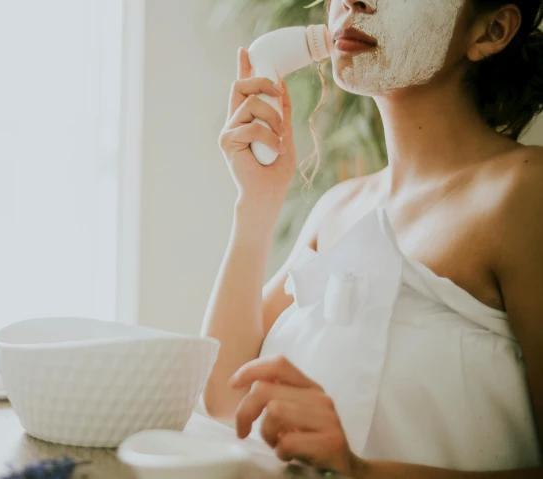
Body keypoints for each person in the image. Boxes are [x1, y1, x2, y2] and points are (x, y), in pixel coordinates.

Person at [201, 0, 543, 477]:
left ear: (492, 30)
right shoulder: (338, 207)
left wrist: (361, 471)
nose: (353, 1)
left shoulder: (524, 195)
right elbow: (223, 395)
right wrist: (256, 202)